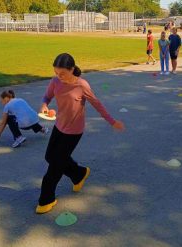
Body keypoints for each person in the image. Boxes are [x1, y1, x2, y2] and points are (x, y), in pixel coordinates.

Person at [36, 53, 125, 214]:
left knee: (54, 166)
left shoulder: (82, 85)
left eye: (62, 73)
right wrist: (44, 105)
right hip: (59, 126)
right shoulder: (55, 82)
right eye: (56, 73)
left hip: (73, 132)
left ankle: (46, 200)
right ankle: (79, 173)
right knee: (50, 157)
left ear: (71, 69)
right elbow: (47, 96)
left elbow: (98, 105)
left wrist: (112, 121)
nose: (58, 76)